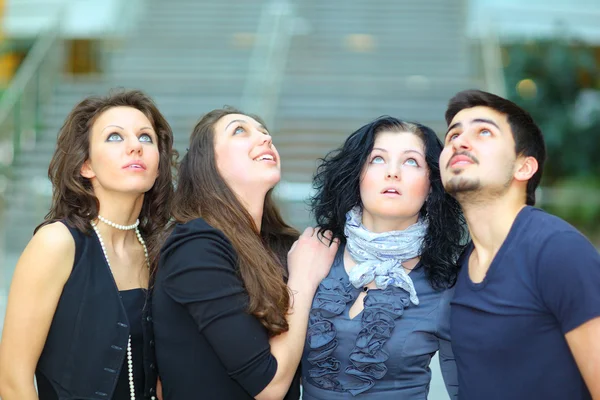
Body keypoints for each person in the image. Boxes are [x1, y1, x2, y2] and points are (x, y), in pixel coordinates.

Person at [151, 107, 339, 399]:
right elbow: (268, 385)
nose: (266, 138)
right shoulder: (195, 245)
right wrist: (304, 277)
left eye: (264, 131)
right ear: (208, 162)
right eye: (240, 130)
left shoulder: (273, 246)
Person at [0, 89, 176, 400]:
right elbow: (13, 380)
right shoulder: (57, 243)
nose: (135, 146)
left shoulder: (158, 250)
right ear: (86, 165)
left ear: (159, 165)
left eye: (146, 138)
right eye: (114, 137)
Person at [440, 89, 600, 400]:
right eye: (452, 135)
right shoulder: (458, 267)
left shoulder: (557, 250)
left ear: (523, 167)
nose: (459, 141)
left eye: (484, 131)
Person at [302, 116, 467, 399]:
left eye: (411, 162)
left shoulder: (446, 286)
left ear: (431, 187)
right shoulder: (311, 256)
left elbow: (469, 389)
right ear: (357, 176)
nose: (393, 172)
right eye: (378, 159)